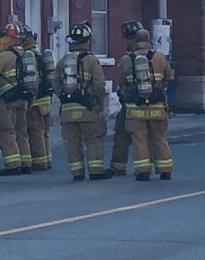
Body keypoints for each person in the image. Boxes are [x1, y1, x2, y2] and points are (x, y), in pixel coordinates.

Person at [116, 28, 173, 181]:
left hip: (135, 109)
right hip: (157, 107)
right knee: (159, 137)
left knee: (139, 138)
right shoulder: (160, 57)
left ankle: (143, 171)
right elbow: (168, 76)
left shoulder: (127, 59)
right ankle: (165, 169)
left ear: (135, 41)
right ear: (149, 41)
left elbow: (120, 81)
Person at [56, 22, 109, 181]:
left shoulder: (63, 61)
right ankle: (96, 171)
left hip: (67, 110)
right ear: (88, 41)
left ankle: (77, 173)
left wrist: (64, 97)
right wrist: (95, 100)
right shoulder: (92, 60)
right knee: (93, 139)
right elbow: (99, 84)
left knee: (73, 142)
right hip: (87, 109)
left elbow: (55, 82)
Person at [0, 22, 33, 175]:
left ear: (7, 38)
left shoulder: (5, 56)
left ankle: (12, 165)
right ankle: (25, 163)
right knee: (21, 131)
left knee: (5, 132)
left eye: (3, 37)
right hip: (24, 99)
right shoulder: (26, 55)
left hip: (8, 101)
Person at [108, 19, 144, 177]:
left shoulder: (127, 59)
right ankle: (160, 168)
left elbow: (121, 81)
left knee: (122, 134)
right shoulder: (156, 56)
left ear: (130, 39)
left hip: (131, 104)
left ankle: (118, 166)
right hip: (155, 104)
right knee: (152, 137)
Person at [21, 25, 53, 171]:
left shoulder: (28, 57)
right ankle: (47, 159)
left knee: (35, 132)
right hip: (46, 99)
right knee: (45, 132)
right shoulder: (40, 55)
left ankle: (40, 162)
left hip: (35, 101)